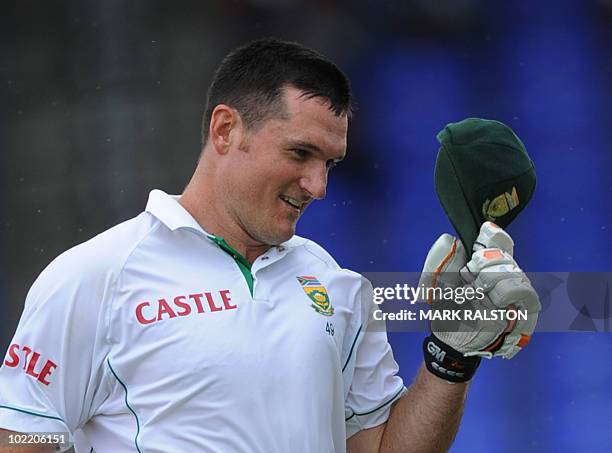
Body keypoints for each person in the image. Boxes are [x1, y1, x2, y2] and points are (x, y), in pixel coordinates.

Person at [0, 38, 539, 453]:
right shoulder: (95, 274)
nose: (319, 186)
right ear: (226, 130)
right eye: (300, 153)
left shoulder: (336, 285)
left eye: (329, 163)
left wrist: (451, 355)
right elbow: (19, 435)